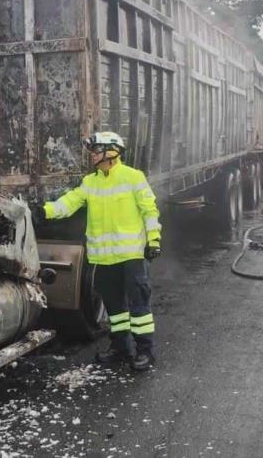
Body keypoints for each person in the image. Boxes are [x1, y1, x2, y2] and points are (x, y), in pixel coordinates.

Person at [33, 131, 161, 371]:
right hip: (103, 259)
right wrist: (45, 211)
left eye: (96, 150)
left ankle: (145, 351)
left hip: (131, 256)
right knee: (115, 309)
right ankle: (121, 349)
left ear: (112, 151)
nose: (92, 155)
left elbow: (149, 210)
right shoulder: (90, 182)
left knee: (139, 307)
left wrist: (153, 240)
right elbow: (69, 202)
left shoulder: (133, 177)